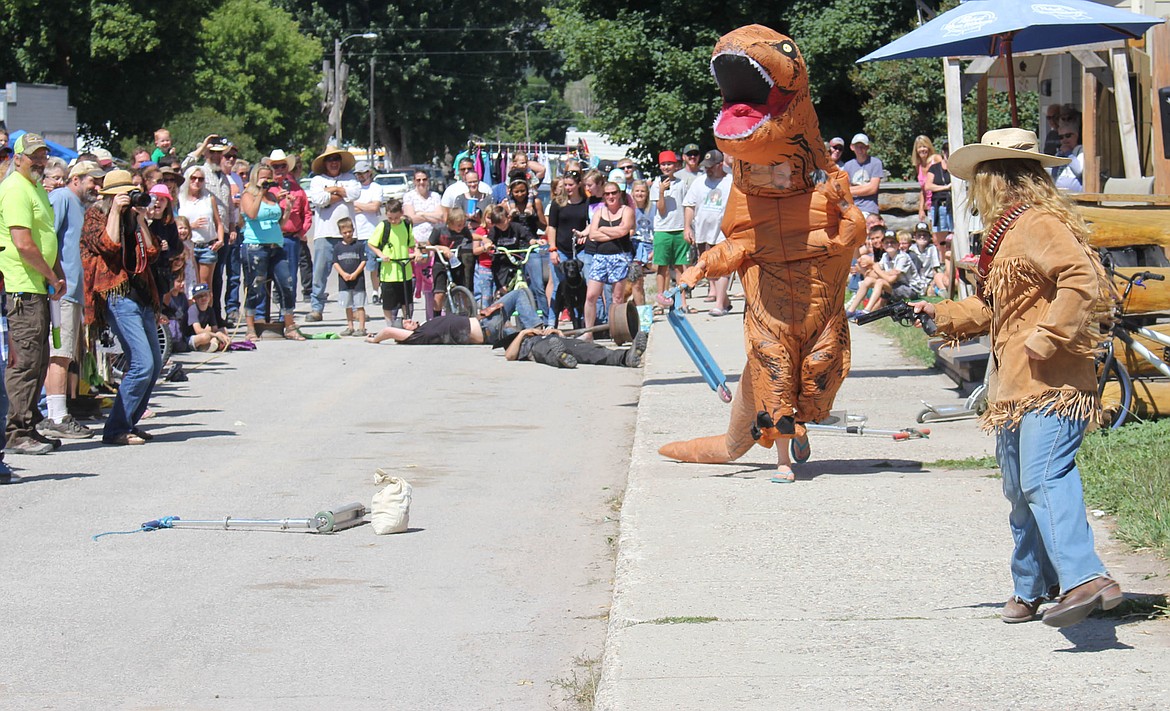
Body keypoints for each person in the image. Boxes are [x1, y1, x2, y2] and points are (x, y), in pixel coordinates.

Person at [912, 126, 1121, 628]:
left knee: (1043, 477)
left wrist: (1048, 337)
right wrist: (940, 314)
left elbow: (1082, 279)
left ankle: (1086, 578)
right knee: (1017, 488)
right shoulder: (1008, 231)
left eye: (979, 177)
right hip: (1013, 385)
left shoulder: (1038, 223)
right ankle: (1032, 587)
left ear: (997, 178)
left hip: (1052, 381)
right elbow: (995, 306)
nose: (972, 188)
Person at [80, 169, 163, 446]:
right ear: (112, 195)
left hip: (141, 294)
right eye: (125, 193)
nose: (129, 197)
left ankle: (129, 422)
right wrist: (115, 211)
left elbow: (152, 253)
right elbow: (108, 244)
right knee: (142, 363)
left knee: (155, 362)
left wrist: (139, 219)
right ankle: (115, 428)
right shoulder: (96, 215)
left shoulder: (133, 217)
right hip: (116, 294)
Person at [0, 134, 66, 455]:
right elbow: (24, 244)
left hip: (38, 285)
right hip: (22, 287)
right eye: (33, 156)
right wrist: (52, 275)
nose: (39, 161)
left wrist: (58, 273)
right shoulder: (14, 189)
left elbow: (45, 237)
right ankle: (16, 432)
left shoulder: (35, 187)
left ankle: (29, 423)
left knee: (39, 360)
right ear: (17, 158)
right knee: (25, 362)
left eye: (42, 155)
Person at [40, 160, 104, 440]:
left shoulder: (81, 206)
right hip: (61, 290)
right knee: (60, 353)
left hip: (74, 290)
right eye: (93, 180)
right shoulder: (63, 197)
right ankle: (55, 416)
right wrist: (53, 279)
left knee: (66, 355)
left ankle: (57, 412)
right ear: (76, 179)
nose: (97, 186)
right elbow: (46, 238)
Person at [239, 163, 302, 341]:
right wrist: (260, 192)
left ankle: (290, 325)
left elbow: (279, 223)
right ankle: (250, 328)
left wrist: (287, 209)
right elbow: (251, 214)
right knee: (254, 287)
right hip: (256, 246)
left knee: (286, 284)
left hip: (276, 245)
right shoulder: (248, 195)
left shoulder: (273, 196)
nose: (266, 180)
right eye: (262, 177)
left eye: (269, 177)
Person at [365, 286, 541, 345]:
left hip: (486, 323)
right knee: (518, 295)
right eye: (405, 322)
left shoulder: (425, 327)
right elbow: (388, 331)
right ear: (403, 334)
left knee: (530, 338)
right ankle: (538, 329)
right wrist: (374, 339)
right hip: (487, 328)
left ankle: (540, 332)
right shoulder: (418, 336)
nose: (410, 320)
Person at [307, 146, 361, 321]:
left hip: (347, 233)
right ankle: (317, 308)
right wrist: (341, 193)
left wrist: (332, 190)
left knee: (352, 272)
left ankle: (354, 308)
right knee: (320, 272)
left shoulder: (350, 178)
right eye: (330, 160)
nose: (334, 163)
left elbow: (354, 193)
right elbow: (319, 200)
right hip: (325, 233)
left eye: (337, 159)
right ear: (324, 163)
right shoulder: (316, 180)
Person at [581, 181, 633, 340]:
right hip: (600, 257)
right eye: (607, 194)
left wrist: (603, 230)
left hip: (619, 256)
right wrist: (610, 232)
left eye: (614, 193)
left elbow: (624, 231)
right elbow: (593, 235)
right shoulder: (599, 212)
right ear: (603, 196)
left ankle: (617, 331)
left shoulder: (627, 211)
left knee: (617, 297)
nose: (611, 196)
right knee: (591, 295)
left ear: (619, 194)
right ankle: (588, 332)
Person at [682, 150, 733, 315]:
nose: (708, 170)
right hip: (703, 232)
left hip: (723, 232)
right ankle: (724, 300)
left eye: (711, 167)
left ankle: (719, 305)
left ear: (720, 165)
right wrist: (687, 227)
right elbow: (689, 205)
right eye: (706, 167)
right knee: (710, 269)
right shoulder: (699, 182)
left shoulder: (731, 182)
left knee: (723, 267)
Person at [267, 150, 311, 306]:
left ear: (287, 168)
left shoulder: (297, 189)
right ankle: (265, 317)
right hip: (269, 239)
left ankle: (287, 314)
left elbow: (307, 213)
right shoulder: (267, 189)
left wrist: (301, 232)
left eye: (282, 166)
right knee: (267, 277)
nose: (279, 169)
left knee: (290, 277)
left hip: (291, 238)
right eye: (275, 166)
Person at [650, 150, 691, 314]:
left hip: (679, 227)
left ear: (676, 165)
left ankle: (682, 301)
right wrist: (661, 191)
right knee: (662, 266)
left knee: (681, 266)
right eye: (664, 164)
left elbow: (687, 205)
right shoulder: (655, 184)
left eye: (670, 164)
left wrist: (689, 227)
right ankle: (661, 299)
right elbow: (661, 210)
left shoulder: (682, 183)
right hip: (663, 229)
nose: (667, 167)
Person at [499, 327, 648, 369]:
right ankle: (562, 359)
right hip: (541, 347)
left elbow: (560, 340)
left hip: (559, 341)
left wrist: (558, 333)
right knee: (550, 352)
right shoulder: (525, 343)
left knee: (591, 350)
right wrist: (523, 333)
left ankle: (626, 356)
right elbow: (509, 356)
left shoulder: (543, 334)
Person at [367, 199, 415, 325]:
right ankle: (390, 325)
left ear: (401, 213)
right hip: (389, 274)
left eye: (396, 218)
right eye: (390, 218)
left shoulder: (406, 225)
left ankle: (407, 323)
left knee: (406, 301)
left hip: (405, 271)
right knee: (388, 303)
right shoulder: (383, 226)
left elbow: (412, 244)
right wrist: (381, 255)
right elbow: (371, 244)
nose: (393, 221)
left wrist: (416, 253)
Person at [177, 165, 224, 291]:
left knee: (205, 287)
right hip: (187, 245)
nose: (196, 181)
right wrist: (191, 226)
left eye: (200, 179)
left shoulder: (209, 198)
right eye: (193, 178)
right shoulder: (180, 198)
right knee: (186, 285)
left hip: (206, 246)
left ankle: (207, 311)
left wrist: (220, 240)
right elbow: (177, 223)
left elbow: (218, 222)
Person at [332, 217, 368, 336]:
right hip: (344, 281)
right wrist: (343, 274)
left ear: (353, 230)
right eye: (344, 232)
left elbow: (363, 261)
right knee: (347, 305)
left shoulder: (358, 246)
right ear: (340, 233)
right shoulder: (337, 247)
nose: (348, 234)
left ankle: (362, 328)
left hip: (358, 280)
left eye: (350, 232)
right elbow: (335, 262)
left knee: (359, 305)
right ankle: (350, 326)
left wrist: (355, 274)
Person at [841, 133, 883, 218]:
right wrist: (866, 187)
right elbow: (844, 190)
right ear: (852, 147)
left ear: (867, 147)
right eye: (857, 146)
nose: (860, 149)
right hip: (852, 208)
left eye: (862, 146)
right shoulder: (848, 165)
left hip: (870, 209)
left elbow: (873, 189)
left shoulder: (876, 163)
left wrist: (851, 190)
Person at [628, 180, 654, 306]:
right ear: (632, 193)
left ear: (647, 193)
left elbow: (658, 231)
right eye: (637, 191)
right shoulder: (628, 210)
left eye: (642, 191)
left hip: (650, 249)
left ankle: (646, 307)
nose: (640, 193)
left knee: (639, 282)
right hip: (634, 250)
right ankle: (639, 309)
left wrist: (653, 252)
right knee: (636, 281)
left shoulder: (653, 209)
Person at [184, 283, 231, 352]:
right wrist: (217, 335)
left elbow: (214, 328)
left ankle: (211, 344)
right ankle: (208, 345)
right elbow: (198, 331)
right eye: (200, 296)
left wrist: (218, 333)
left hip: (203, 334)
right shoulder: (193, 309)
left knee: (224, 330)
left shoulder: (210, 310)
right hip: (191, 337)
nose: (203, 298)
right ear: (194, 299)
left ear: (210, 296)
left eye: (205, 295)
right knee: (205, 337)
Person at [925, 142, 953, 250]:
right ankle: (942, 263)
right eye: (946, 150)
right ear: (943, 152)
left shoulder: (956, 167)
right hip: (939, 205)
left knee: (954, 237)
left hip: (953, 207)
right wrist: (946, 188)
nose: (948, 153)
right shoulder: (934, 168)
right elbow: (928, 186)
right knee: (941, 240)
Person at [911, 136, 941, 225]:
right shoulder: (918, 165)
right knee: (933, 231)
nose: (922, 149)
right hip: (929, 204)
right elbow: (923, 189)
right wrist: (921, 209)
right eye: (919, 147)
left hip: (939, 200)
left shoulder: (936, 159)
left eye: (924, 146)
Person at [1052, 120, 1084, 193]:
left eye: (1068, 136)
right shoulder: (1060, 152)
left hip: (1077, 198)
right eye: (1061, 137)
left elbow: (1079, 170)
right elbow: (1054, 175)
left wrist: (1068, 153)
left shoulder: (1080, 150)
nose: (1064, 140)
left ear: (1077, 135)